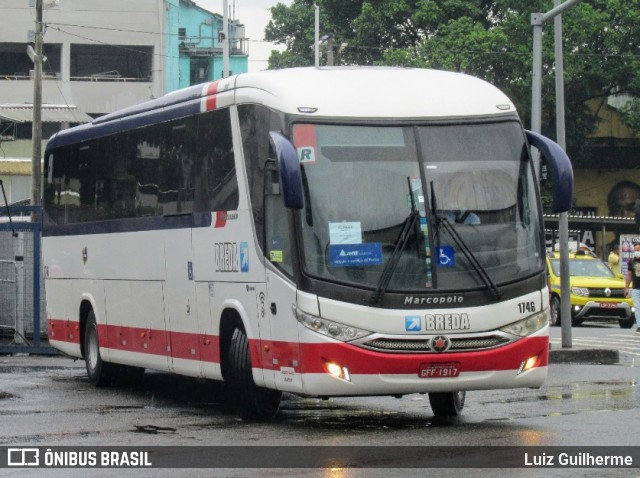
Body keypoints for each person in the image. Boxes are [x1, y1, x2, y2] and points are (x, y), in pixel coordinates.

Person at [623, 243, 640, 333]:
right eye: (636, 250)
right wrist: (626, 288)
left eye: (639, 250)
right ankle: (639, 325)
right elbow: (629, 275)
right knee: (637, 307)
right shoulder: (632, 261)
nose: (637, 252)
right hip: (636, 288)